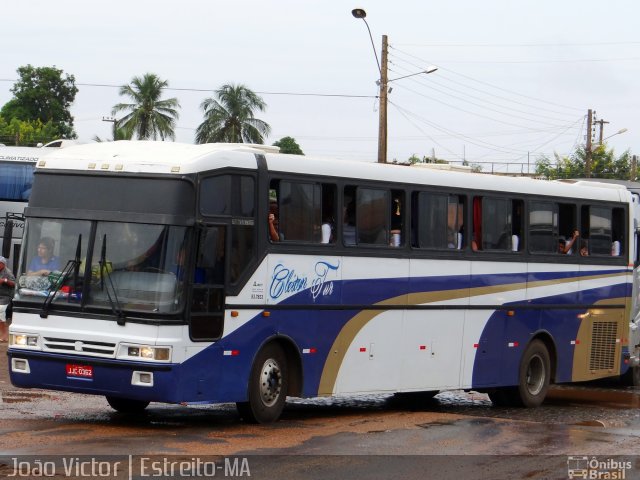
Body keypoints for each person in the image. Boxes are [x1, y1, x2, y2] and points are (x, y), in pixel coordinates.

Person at [0, 256, 15, 342]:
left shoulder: (8, 272)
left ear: (2, 264)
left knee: (1, 311)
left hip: (5, 296)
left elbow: (14, 283)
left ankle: (5, 334)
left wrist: (4, 281)